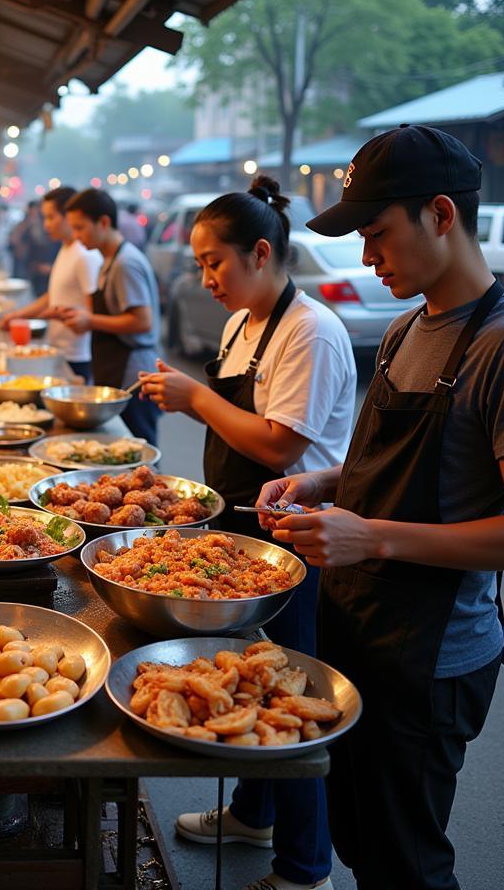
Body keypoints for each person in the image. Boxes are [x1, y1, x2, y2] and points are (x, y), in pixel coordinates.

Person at [259, 125, 504, 890]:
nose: (368, 256)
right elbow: (386, 468)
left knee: (406, 861)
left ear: (441, 215)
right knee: (359, 837)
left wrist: (371, 538)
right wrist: (322, 485)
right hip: (358, 628)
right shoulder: (405, 327)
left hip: (434, 656)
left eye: (377, 233)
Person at [141, 175, 356, 890]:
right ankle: (253, 813)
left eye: (215, 263)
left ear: (261, 253)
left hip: (293, 544)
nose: (206, 279)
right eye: (200, 264)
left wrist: (195, 397)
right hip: (232, 536)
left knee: (288, 700)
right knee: (245, 689)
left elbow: (278, 447)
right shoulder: (242, 324)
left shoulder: (311, 331)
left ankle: (304, 869)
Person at [58, 188, 161, 444]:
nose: (76, 236)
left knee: (139, 452)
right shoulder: (108, 259)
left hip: (133, 374)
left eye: (80, 227)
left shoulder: (126, 263)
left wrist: (89, 321)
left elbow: (141, 321)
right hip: (115, 368)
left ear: (104, 222)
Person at [1, 186, 101, 380]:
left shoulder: (85, 255)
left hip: (77, 356)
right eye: (44, 217)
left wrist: (62, 315)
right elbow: (53, 296)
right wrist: (18, 316)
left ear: (69, 216)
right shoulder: (65, 248)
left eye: (51, 217)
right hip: (57, 350)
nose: (46, 224)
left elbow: (92, 314)